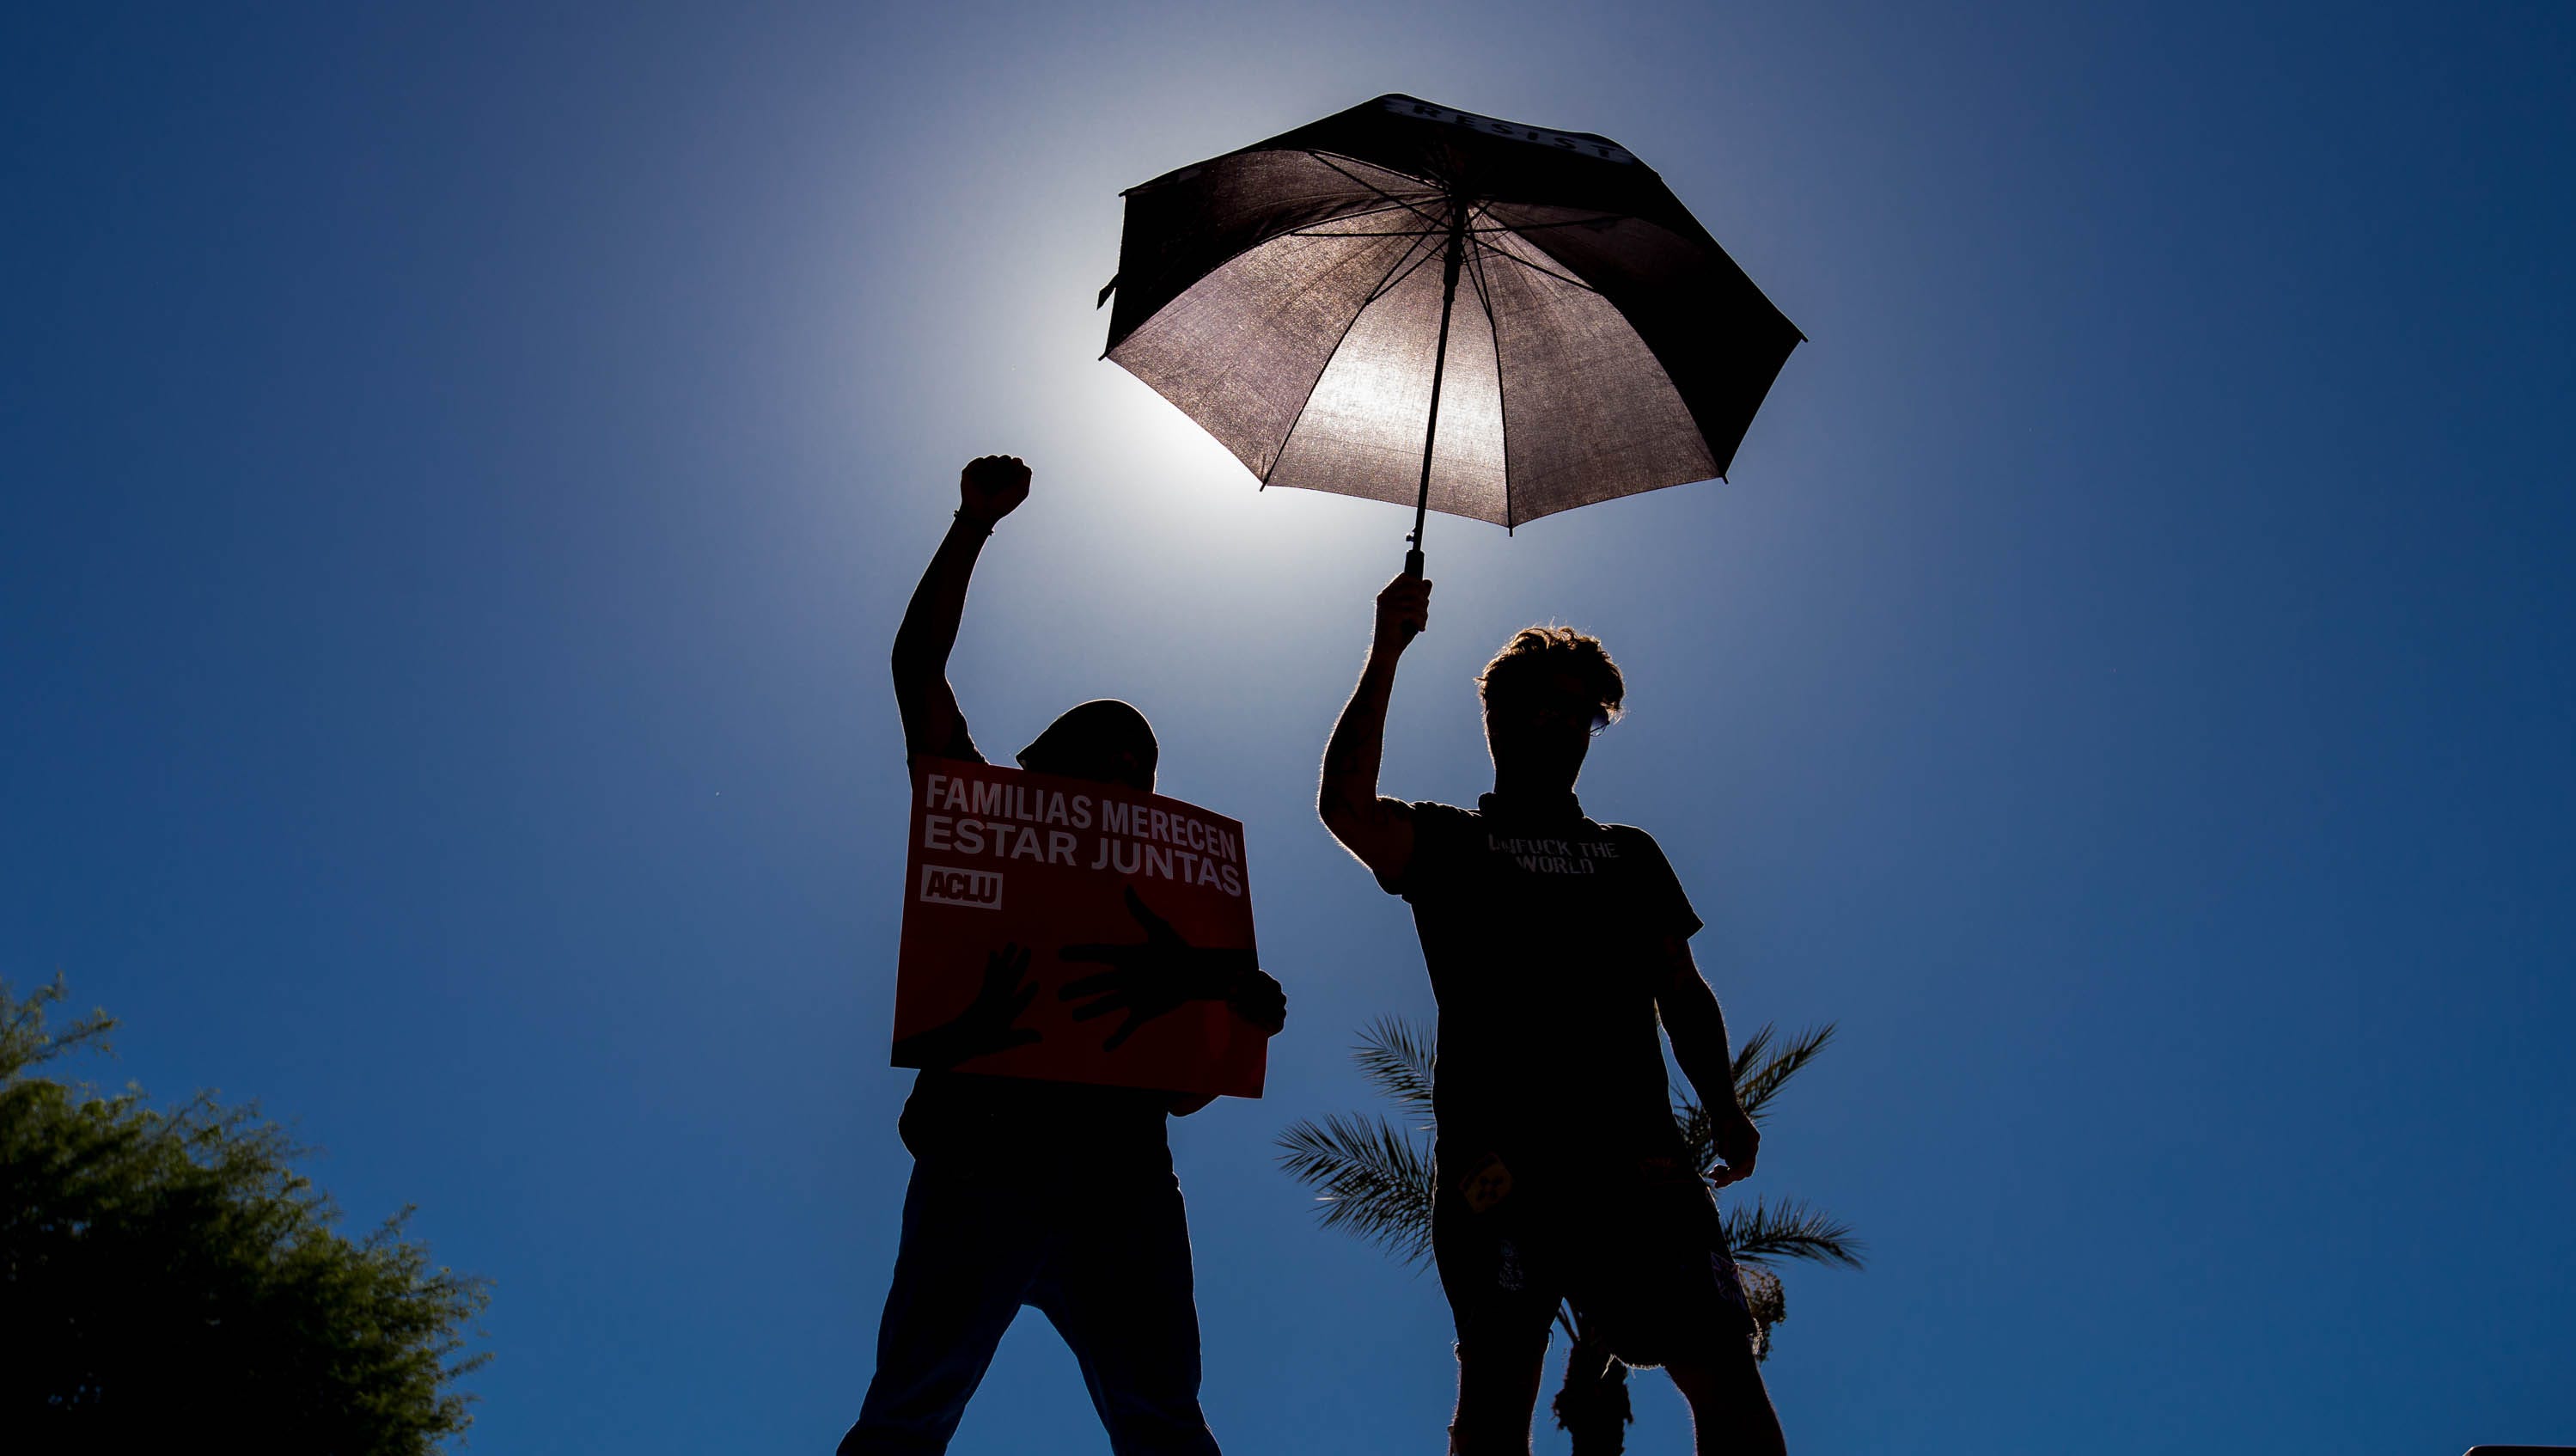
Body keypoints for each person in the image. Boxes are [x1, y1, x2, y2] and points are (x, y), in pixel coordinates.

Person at [844, 455, 1286, 1456]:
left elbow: (1178, 1089)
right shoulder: (988, 808)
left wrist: (1233, 1010)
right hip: (983, 1156)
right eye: (1106, 745)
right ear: (1044, 758)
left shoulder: (1170, 898)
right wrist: (972, 524)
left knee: (1166, 1423)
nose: (1129, 766)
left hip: (1123, 1178)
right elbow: (915, 667)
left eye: (1143, 761)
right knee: (908, 1414)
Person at [1316, 573, 1785, 1456]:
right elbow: (1346, 807)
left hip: (1639, 1162)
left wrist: (1723, 1104)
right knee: (1496, 1404)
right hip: (1500, 1164)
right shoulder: (1449, 841)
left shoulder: (1627, 854)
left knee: (1727, 1376)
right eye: (1549, 708)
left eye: (1585, 715)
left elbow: (1679, 989)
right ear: (1498, 717)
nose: (1568, 728)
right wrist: (1385, 649)